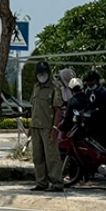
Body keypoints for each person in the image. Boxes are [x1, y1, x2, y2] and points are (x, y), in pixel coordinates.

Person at [61, 70, 106, 155]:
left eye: (91, 81)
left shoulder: (104, 93)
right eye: (87, 81)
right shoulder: (88, 92)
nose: (89, 83)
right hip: (94, 125)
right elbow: (88, 107)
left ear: (96, 81)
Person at [28, 60, 64, 191]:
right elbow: (34, 109)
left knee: (51, 157)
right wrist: (30, 127)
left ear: (48, 73)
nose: (41, 76)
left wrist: (55, 128)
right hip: (36, 126)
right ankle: (41, 182)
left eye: (44, 73)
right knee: (38, 157)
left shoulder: (55, 89)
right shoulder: (36, 87)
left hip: (48, 128)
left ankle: (57, 183)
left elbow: (58, 110)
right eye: (39, 73)